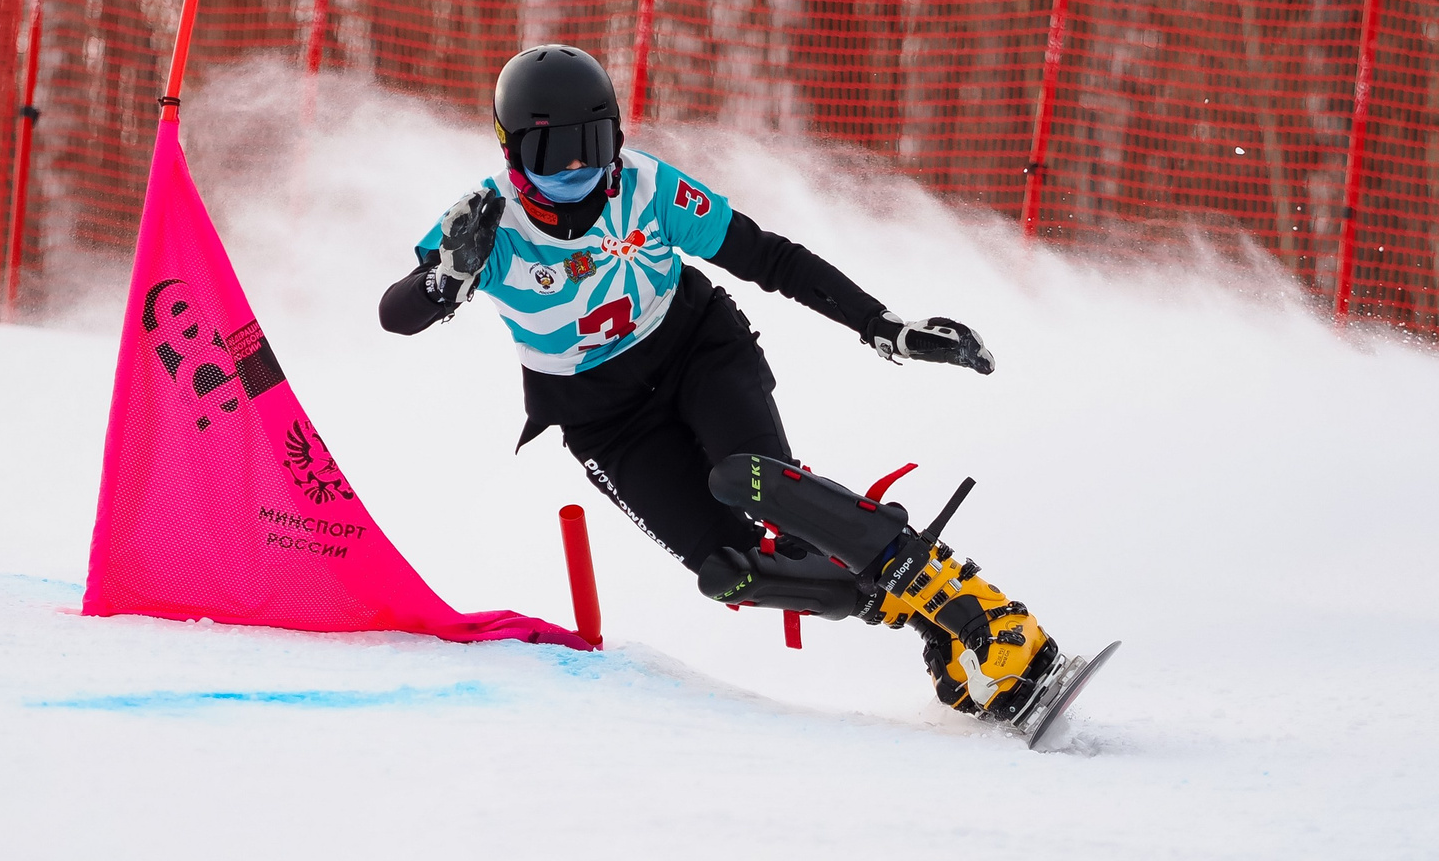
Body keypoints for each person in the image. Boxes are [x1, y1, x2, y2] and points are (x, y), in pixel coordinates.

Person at [378, 42, 1070, 721]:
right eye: (553, 152)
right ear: (511, 151)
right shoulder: (485, 220)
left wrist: (881, 324)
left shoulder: (645, 187)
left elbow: (768, 257)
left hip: (696, 350)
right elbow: (395, 313)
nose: (579, 169)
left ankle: (980, 612)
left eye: (593, 142)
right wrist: (445, 282)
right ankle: (931, 624)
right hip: (604, 420)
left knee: (755, 482)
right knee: (732, 571)